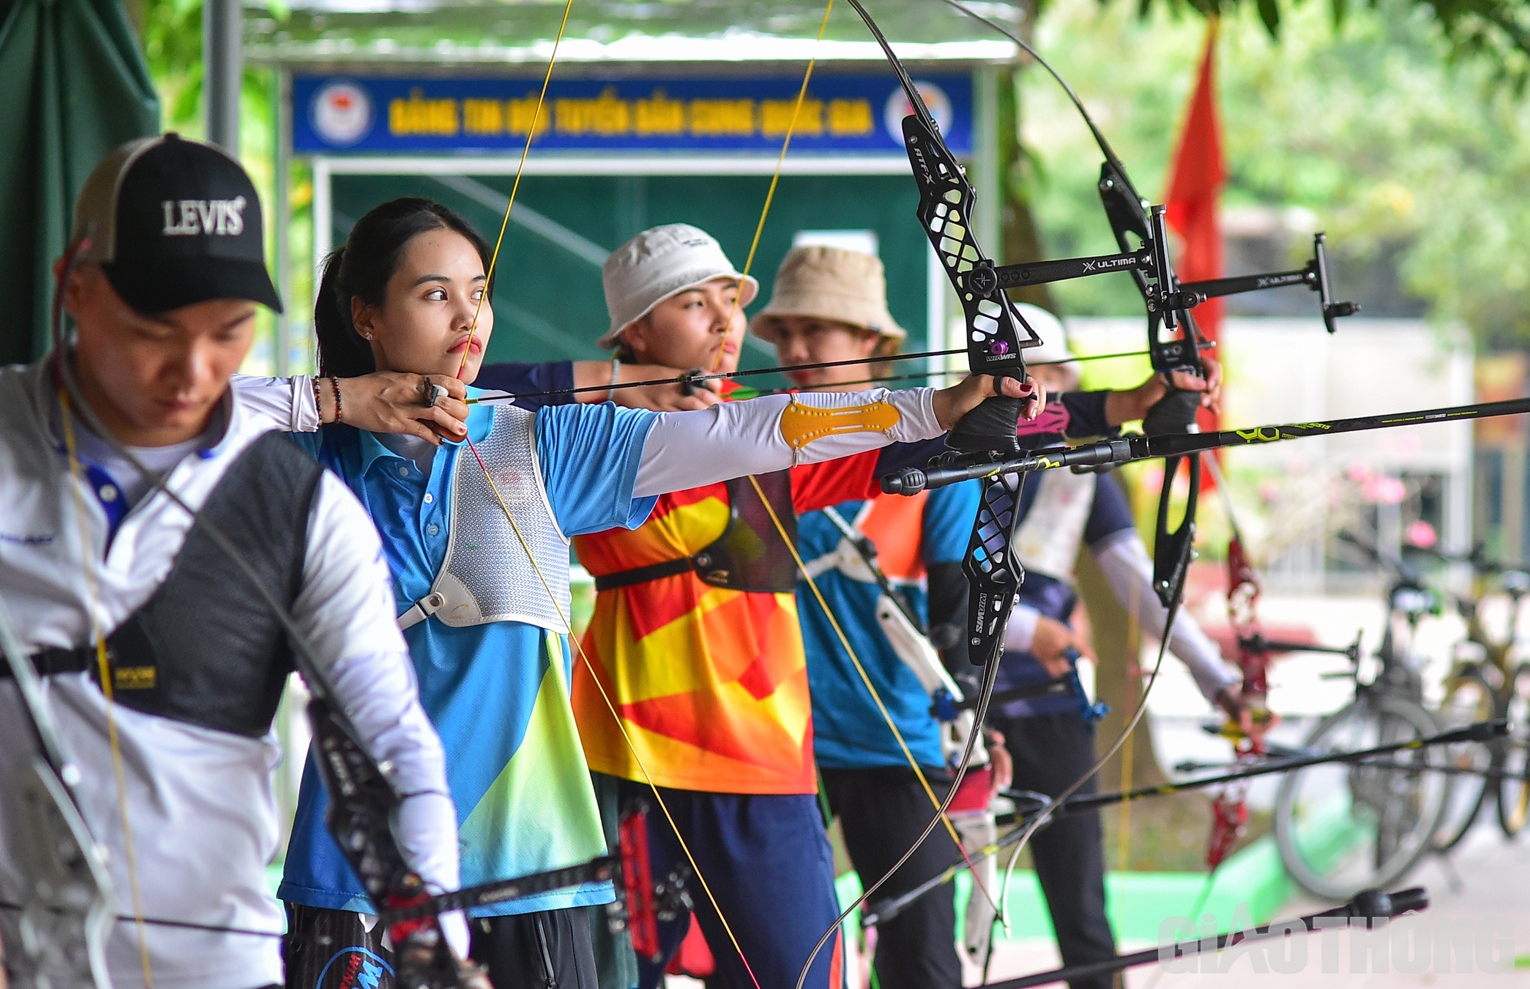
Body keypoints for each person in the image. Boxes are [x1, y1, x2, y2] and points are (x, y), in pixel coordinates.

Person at [271, 201, 1030, 989]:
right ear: (366, 315)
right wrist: (334, 401)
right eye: (436, 295)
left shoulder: (545, 444)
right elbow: (168, 426)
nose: (468, 317)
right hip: (357, 862)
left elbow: (763, 430)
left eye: (480, 292)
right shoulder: (297, 458)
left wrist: (936, 408)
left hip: (536, 862)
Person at [0, 135, 464, 989]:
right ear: (74, 285)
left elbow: (391, 740)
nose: (195, 371)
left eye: (229, 332)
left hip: (215, 965)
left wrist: (432, 920)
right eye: (154, 331)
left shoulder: (300, 510)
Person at [522, 224, 1041, 989]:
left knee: (795, 975)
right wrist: (618, 381)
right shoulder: (575, 433)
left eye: (730, 301)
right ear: (635, 329)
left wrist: (1078, 405)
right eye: (696, 305)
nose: (727, 322)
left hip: (762, 757)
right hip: (626, 750)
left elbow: (878, 441)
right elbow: (472, 395)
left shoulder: (758, 429)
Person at [748, 247, 1223, 988]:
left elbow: (962, 584)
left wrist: (1128, 406)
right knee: (769, 961)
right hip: (769, 733)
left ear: (873, 341)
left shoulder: (925, 436)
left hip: (894, 740)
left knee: (926, 961)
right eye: (787, 333)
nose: (798, 350)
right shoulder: (751, 435)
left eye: (822, 330)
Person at [984, 304, 1243, 989]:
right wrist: (1027, 630)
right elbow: (931, 590)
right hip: (951, 694)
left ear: (1064, 386)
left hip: (1046, 699)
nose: (1025, 390)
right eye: (1007, 372)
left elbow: (1137, 583)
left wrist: (1215, 677)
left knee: (1079, 895)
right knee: (938, 897)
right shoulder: (946, 459)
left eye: (1039, 375)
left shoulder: (1077, 470)